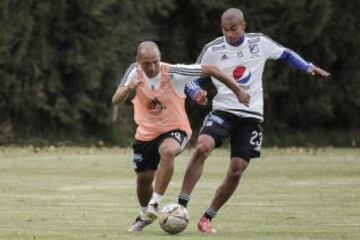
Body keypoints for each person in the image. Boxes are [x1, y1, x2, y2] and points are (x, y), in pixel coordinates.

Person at [177, 8, 331, 234]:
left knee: (238, 168)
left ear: (244, 26)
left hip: (251, 115)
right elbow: (190, 79)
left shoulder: (259, 43)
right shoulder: (213, 49)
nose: (229, 34)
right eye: (225, 30)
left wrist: (307, 67)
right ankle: (180, 208)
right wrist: (196, 93)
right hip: (223, 110)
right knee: (202, 147)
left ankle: (207, 218)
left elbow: (285, 53)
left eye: (234, 29)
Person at [112, 41, 250, 232]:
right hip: (145, 133)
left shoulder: (174, 71)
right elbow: (116, 100)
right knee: (143, 179)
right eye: (147, 63)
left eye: (156, 62)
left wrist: (238, 90)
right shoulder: (134, 72)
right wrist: (129, 88)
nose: (152, 67)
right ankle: (145, 214)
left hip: (175, 129)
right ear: (138, 61)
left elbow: (212, 70)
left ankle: (155, 203)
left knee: (167, 151)